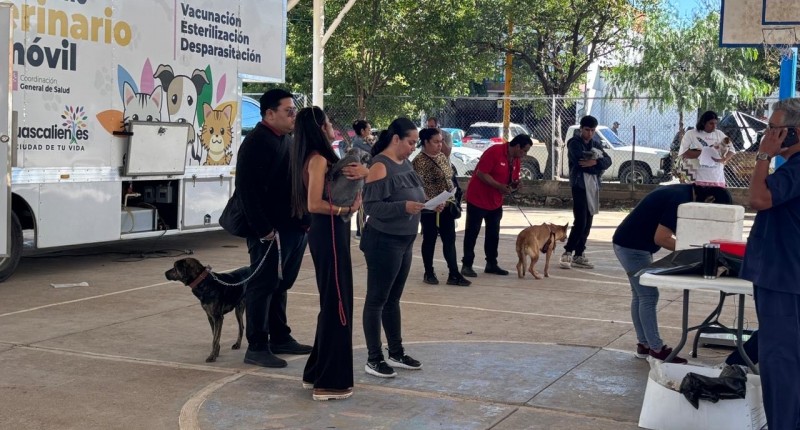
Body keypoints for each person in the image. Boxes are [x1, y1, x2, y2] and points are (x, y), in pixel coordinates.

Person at [289, 106, 368, 401]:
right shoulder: (318, 159)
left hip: (329, 231)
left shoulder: (312, 156)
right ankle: (330, 383)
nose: (333, 126)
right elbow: (314, 204)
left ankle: (315, 372)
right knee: (338, 304)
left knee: (333, 302)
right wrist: (346, 209)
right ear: (320, 127)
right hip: (329, 230)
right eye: (329, 122)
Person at [612, 183, 733, 364]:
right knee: (648, 296)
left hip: (630, 242)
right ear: (710, 199)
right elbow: (662, 238)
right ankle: (656, 349)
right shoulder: (679, 200)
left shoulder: (682, 191)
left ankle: (644, 344)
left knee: (640, 295)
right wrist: (696, 254)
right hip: (632, 247)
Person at [236, 89, 312, 368]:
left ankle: (280, 336)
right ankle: (257, 346)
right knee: (262, 285)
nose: (294, 116)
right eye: (288, 111)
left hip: (291, 227)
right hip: (270, 232)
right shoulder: (256, 142)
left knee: (280, 285)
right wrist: (263, 229)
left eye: (294, 111)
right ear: (269, 113)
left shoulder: (285, 140)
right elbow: (247, 191)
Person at [741, 97, 800, 430]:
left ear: (794, 132)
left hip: (784, 279)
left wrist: (764, 155)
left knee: (781, 362)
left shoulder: (797, 168)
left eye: (774, 129)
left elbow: (759, 199)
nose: (768, 135)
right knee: (783, 359)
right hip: (781, 275)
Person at [360, 117, 436, 378]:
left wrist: (429, 203)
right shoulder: (380, 165)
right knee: (376, 300)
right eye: (411, 142)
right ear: (396, 139)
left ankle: (396, 352)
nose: (414, 147)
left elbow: (414, 194)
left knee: (393, 299)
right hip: (384, 240)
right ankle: (374, 358)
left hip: (405, 239)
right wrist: (403, 207)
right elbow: (371, 207)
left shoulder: (405, 163)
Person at [460, 134, 533, 278]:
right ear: (517, 146)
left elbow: (511, 180)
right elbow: (481, 173)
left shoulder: (516, 160)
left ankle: (491, 263)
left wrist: (515, 185)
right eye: (524, 151)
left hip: (495, 201)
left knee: (493, 234)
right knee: (472, 233)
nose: (524, 154)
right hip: (478, 198)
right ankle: (467, 264)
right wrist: (499, 185)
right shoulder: (495, 151)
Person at [412, 128, 471, 287]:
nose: (440, 145)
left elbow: (450, 178)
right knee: (429, 239)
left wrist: (451, 196)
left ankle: (454, 273)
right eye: (436, 142)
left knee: (449, 239)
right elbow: (417, 187)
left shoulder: (442, 157)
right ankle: (429, 272)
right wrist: (431, 201)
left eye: (441, 141)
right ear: (425, 142)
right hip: (429, 207)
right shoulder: (419, 161)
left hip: (446, 204)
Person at [559, 115, 612, 270]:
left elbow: (607, 161)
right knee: (580, 221)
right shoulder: (574, 143)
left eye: (592, 130)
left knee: (588, 222)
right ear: (581, 128)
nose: (590, 133)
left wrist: (595, 162)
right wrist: (597, 165)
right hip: (579, 186)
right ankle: (568, 252)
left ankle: (579, 254)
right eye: (587, 130)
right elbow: (580, 163)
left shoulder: (596, 143)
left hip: (593, 186)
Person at [678, 110, 734, 187]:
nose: (714, 126)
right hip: (697, 178)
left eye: (715, 123)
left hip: (717, 178)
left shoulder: (719, 134)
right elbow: (683, 153)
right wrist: (704, 152)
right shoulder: (691, 134)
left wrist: (723, 159)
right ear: (703, 123)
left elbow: (732, 149)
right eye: (711, 123)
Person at [351, 120, 373, 240]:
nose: (370, 132)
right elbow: (373, 154)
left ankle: (362, 229)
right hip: (361, 178)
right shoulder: (359, 143)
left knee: (363, 203)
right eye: (368, 129)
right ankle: (360, 230)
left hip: (366, 176)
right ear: (362, 131)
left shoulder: (362, 141)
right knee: (361, 204)